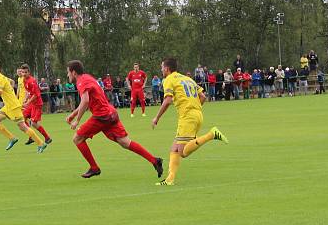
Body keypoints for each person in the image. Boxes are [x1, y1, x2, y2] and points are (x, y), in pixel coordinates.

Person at [65, 60, 162, 179]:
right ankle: (155, 160)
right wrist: (73, 114)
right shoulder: (87, 77)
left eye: (68, 72)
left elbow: (85, 101)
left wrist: (77, 120)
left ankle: (94, 168)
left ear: (74, 72)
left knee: (77, 139)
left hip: (102, 116)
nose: (67, 75)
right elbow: (87, 100)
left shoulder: (81, 82)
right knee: (126, 142)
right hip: (111, 113)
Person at [151, 57, 228, 186]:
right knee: (174, 148)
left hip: (187, 117)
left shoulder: (168, 80)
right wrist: (194, 109)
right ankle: (170, 179)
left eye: (162, 67)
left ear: (167, 68)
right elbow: (203, 96)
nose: (161, 70)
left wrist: (156, 118)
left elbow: (168, 100)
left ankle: (211, 134)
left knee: (183, 152)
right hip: (197, 114)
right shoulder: (187, 78)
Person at [0, 61, 46, 152]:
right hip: (7, 106)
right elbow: (12, 81)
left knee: (23, 127)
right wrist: (10, 91)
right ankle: (12, 138)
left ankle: (41, 143)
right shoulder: (0, 77)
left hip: (13, 107)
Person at [21, 64, 52, 146]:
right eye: (23, 72)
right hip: (31, 104)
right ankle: (31, 136)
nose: (24, 74)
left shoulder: (32, 81)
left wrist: (27, 102)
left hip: (37, 104)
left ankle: (47, 137)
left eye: (26, 72)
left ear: (29, 72)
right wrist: (25, 99)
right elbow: (29, 92)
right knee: (22, 118)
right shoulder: (24, 80)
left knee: (34, 123)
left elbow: (35, 95)